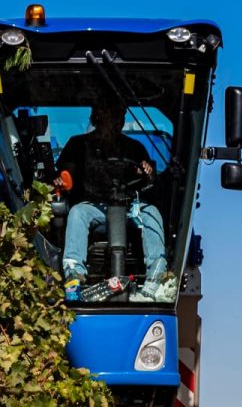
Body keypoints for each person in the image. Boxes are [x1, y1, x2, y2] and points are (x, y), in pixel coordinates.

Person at [54, 103, 167, 300]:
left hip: (129, 206)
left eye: (119, 117)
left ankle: (156, 277)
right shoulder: (77, 145)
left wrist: (145, 170)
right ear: (97, 119)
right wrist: (61, 179)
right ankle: (74, 275)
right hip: (93, 205)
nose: (116, 122)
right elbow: (65, 175)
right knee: (77, 212)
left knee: (152, 213)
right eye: (110, 116)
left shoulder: (135, 147)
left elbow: (148, 177)